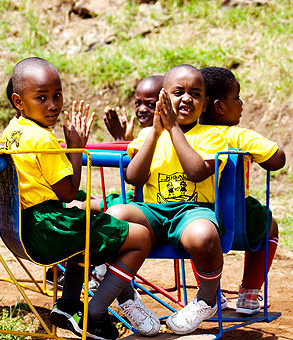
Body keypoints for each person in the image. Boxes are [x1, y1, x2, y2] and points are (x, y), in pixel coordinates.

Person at [2, 57, 160, 340]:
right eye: (42, 98)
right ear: (18, 101)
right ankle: (96, 313)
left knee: (85, 231)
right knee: (141, 238)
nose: (53, 105)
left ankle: (69, 305)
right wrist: (76, 147)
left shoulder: (13, 131)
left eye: (57, 95)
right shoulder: (42, 139)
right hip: (47, 227)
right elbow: (68, 192)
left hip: (26, 225)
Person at [107, 64, 229, 335]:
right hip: (153, 213)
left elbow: (197, 172)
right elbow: (134, 177)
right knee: (113, 216)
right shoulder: (147, 135)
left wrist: (173, 128)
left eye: (195, 94)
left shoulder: (212, 135)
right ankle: (128, 298)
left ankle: (207, 300)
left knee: (204, 235)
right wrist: (156, 131)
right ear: (164, 97)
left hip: (193, 212)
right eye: (178, 92)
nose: (187, 98)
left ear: (205, 102)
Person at [199, 66, 286, 314]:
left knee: (196, 228)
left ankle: (210, 295)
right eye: (237, 97)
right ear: (219, 106)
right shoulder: (235, 134)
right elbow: (277, 159)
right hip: (237, 224)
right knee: (269, 224)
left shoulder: (186, 137)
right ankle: (249, 294)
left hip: (192, 221)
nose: (241, 103)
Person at [103, 75, 164, 142]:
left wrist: (120, 138)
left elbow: (139, 153)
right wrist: (128, 138)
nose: (141, 109)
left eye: (150, 104)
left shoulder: (159, 135)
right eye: (138, 103)